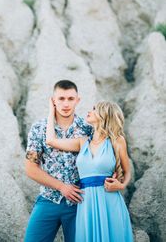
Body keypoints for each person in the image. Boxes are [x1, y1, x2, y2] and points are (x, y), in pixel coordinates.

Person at [46, 100, 133, 242]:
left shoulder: (117, 140)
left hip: (109, 200)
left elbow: (127, 171)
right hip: (86, 203)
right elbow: (50, 140)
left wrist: (121, 185)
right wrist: (52, 111)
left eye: (94, 109)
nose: (89, 111)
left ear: (104, 115)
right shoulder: (82, 142)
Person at [24, 80, 93, 242]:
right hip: (48, 199)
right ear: (53, 100)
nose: (66, 103)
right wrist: (61, 187)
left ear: (78, 100)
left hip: (80, 202)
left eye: (70, 98)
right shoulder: (39, 128)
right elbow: (30, 168)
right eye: (61, 98)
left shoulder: (88, 129)